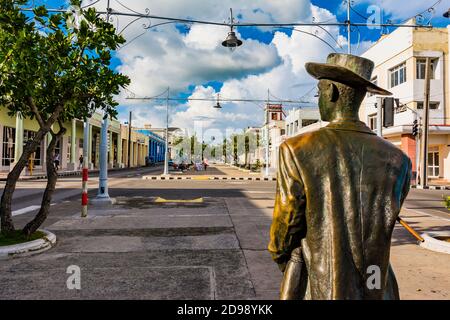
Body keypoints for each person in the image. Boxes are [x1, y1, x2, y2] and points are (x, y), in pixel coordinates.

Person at [268, 53, 411, 300]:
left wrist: (290, 261)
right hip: (377, 284)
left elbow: (285, 229)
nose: (320, 99)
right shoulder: (399, 160)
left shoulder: (297, 149)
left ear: (331, 92)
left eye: (319, 92)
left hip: (322, 283)